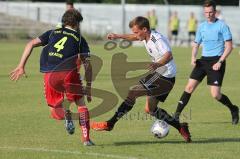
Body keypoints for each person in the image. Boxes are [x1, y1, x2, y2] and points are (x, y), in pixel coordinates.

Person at [91, 16, 191, 143]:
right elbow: (134, 37)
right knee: (150, 109)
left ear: (145, 29)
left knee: (133, 92)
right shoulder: (144, 36)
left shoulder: (157, 39)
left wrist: (157, 64)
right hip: (161, 74)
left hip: (164, 75)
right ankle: (180, 127)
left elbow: (169, 55)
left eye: (137, 32)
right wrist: (118, 36)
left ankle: (110, 123)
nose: (135, 35)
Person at [9, 9, 95, 146]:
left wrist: (21, 66)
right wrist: (89, 86)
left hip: (51, 74)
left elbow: (30, 43)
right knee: (81, 105)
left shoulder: (51, 33)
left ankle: (66, 114)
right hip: (69, 73)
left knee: (55, 113)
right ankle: (86, 139)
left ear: (64, 21)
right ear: (77, 24)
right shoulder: (79, 39)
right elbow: (87, 64)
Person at [173, 0, 239, 125]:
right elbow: (196, 44)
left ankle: (233, 109)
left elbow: (229, 46)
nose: (208, 15)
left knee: (215, 94)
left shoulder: (222, 26)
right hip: (203, 61)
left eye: (210, 12)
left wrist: (220, 61)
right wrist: (193, 57)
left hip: (217, 61)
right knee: (189, 87)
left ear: (215, 12)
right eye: (206, 12)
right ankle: (176, 116)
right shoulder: (202, 26)